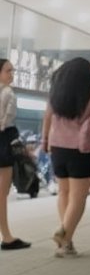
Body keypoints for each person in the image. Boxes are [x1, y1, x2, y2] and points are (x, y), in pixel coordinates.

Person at [42, 57, 90, 256]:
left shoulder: (56, 92)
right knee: (78, 197)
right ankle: (64, 233)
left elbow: (47, 117)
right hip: (80, 149)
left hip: (57, 148)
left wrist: (44, 141)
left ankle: (66, 243)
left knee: (64, 193)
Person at [0, 58, 30, 251]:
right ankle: (7, 236)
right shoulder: (8, 93)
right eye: (8, 71)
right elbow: (5, 122)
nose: (12, 74)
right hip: (4, 140)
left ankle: (7, 235)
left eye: (13, 71)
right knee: (2, 193)